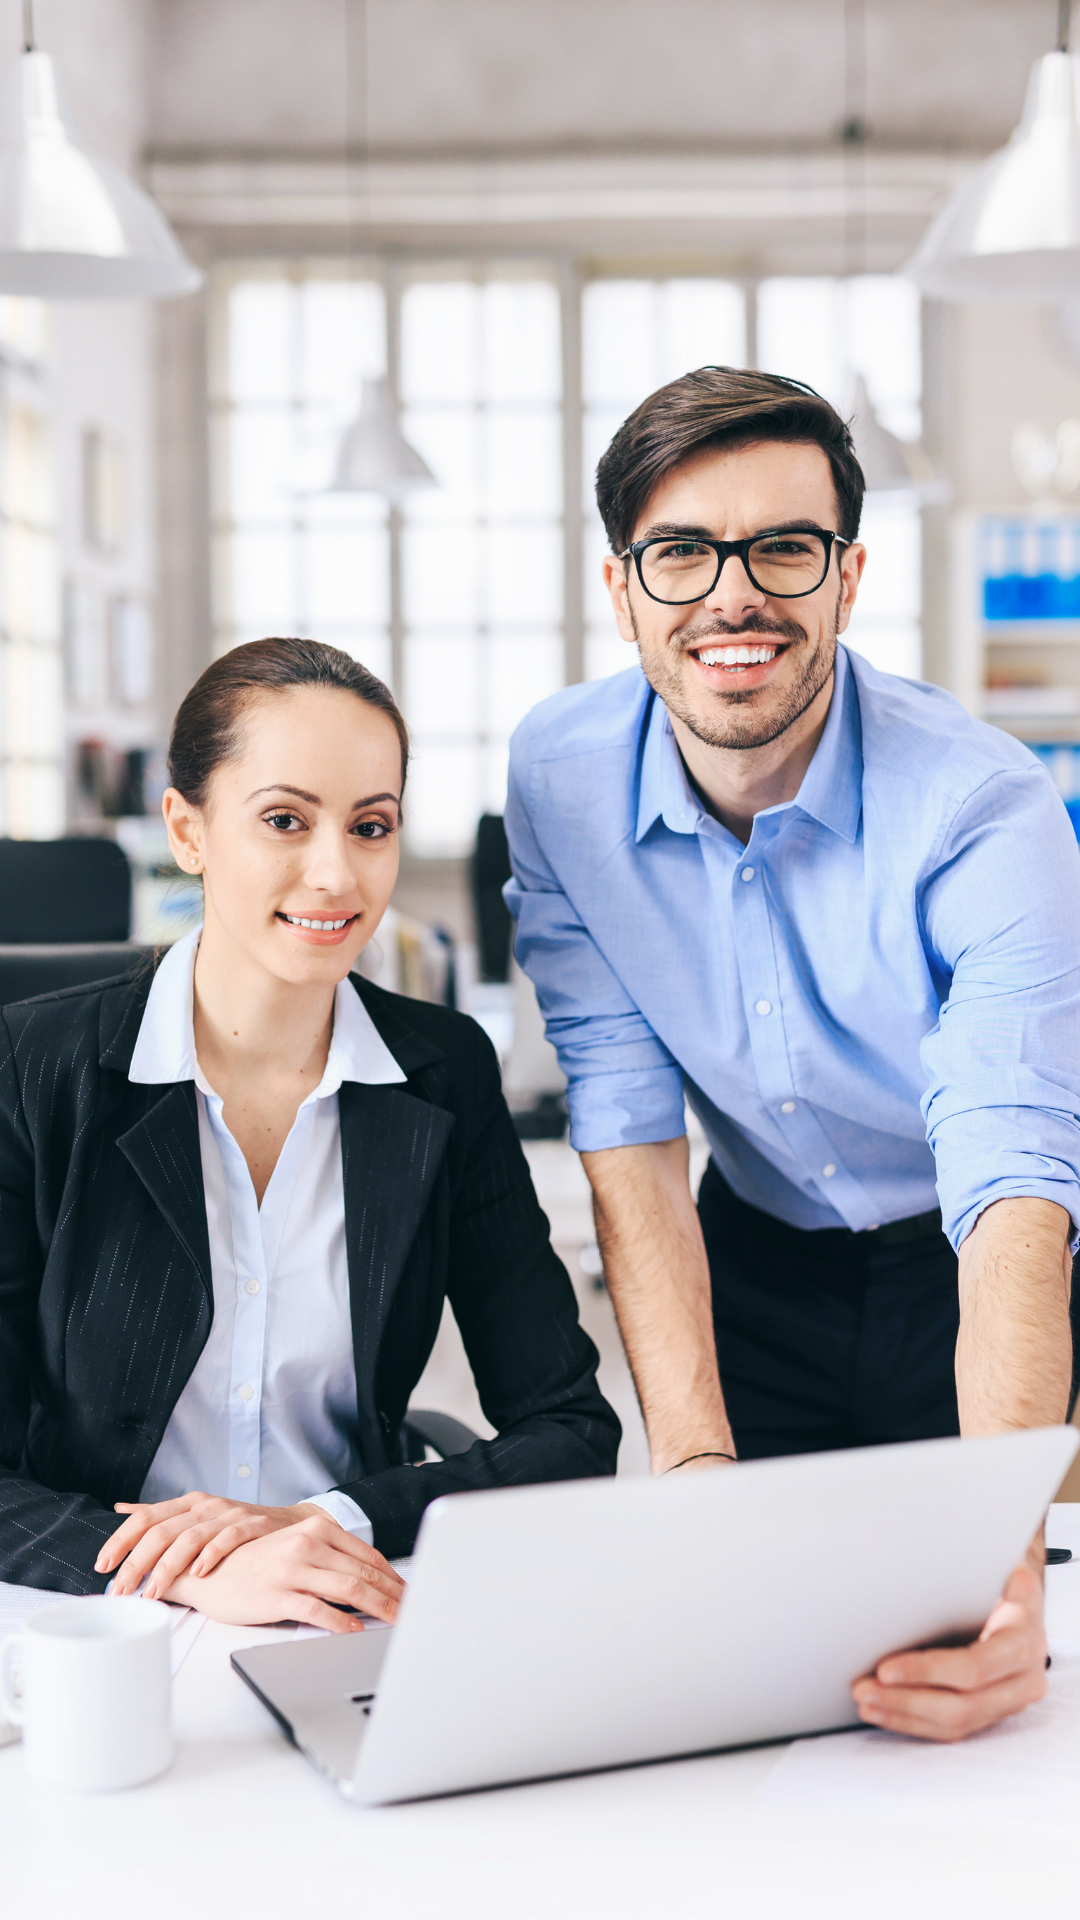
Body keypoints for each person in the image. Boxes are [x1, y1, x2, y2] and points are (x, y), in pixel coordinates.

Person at [504, 366, 1080, 1740]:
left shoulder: (986, 807)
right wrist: (692, 1463)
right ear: (621, 586)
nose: (732, 595)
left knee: (1004, 1683)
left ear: (847, 573)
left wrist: (1007, 1556)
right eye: (682, 552)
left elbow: (1010, 1180)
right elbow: (629, 1130)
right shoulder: (558, 778)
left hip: (983, 1265)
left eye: (783, 548)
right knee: (763, 1690)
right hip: (755, 1262)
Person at [0, 638, 619, 1631]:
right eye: (284, 820)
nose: (335, 873)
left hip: (337, 1602)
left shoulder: (440, 1071)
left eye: (370, 826)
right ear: (187, 830)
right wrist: (192, 1571)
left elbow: (571, 1430)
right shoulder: (33, 1069)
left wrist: (320, 1522)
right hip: (96, 1622)